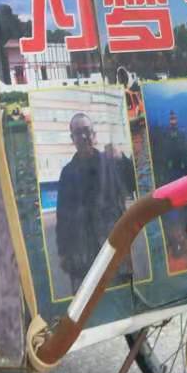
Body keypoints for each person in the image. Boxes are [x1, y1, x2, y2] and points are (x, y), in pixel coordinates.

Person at [54, 113, 135, 293]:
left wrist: (122, 158)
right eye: (78, 133)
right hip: (82, 257)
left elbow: (133, 184)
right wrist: (63, 251)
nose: (83, 136)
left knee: (120, 298)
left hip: (113, 250)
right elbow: (62, 215)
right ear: (72, 139)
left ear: (94, 134)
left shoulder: (111, 163)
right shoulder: (67, 173)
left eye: (87, 131)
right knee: (87, 304)